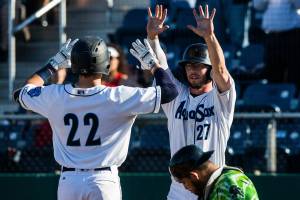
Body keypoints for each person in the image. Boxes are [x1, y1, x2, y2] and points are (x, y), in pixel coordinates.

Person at [13, 36, 178, 200]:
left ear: (74, 64)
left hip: (69, 182)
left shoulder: (56, 95)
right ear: (106, 65)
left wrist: (53, 64)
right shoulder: (119, 96)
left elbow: (22, 92)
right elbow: (170, 91)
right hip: (103, 180)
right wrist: (152, 64)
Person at [143, 5, 236, 200]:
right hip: (178, 190)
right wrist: (153, 38)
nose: (192, 70)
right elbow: (162, 68)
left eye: (199, 66)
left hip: (210, 188)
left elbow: (220, 70)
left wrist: (210, 37)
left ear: (208, 69)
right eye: (188, 65)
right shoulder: (176, 97)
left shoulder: (221, 99)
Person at [169, 145, 259, 200]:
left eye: (184, 182)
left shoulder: (229, 183)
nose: (185, 187)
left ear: (194, 176)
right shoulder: (214, 187)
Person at [253, 0, 300, 88]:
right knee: (273, 74)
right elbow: (257, 5)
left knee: (294, 73)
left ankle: (292, 97)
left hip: (292, 36)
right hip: (272, 37)